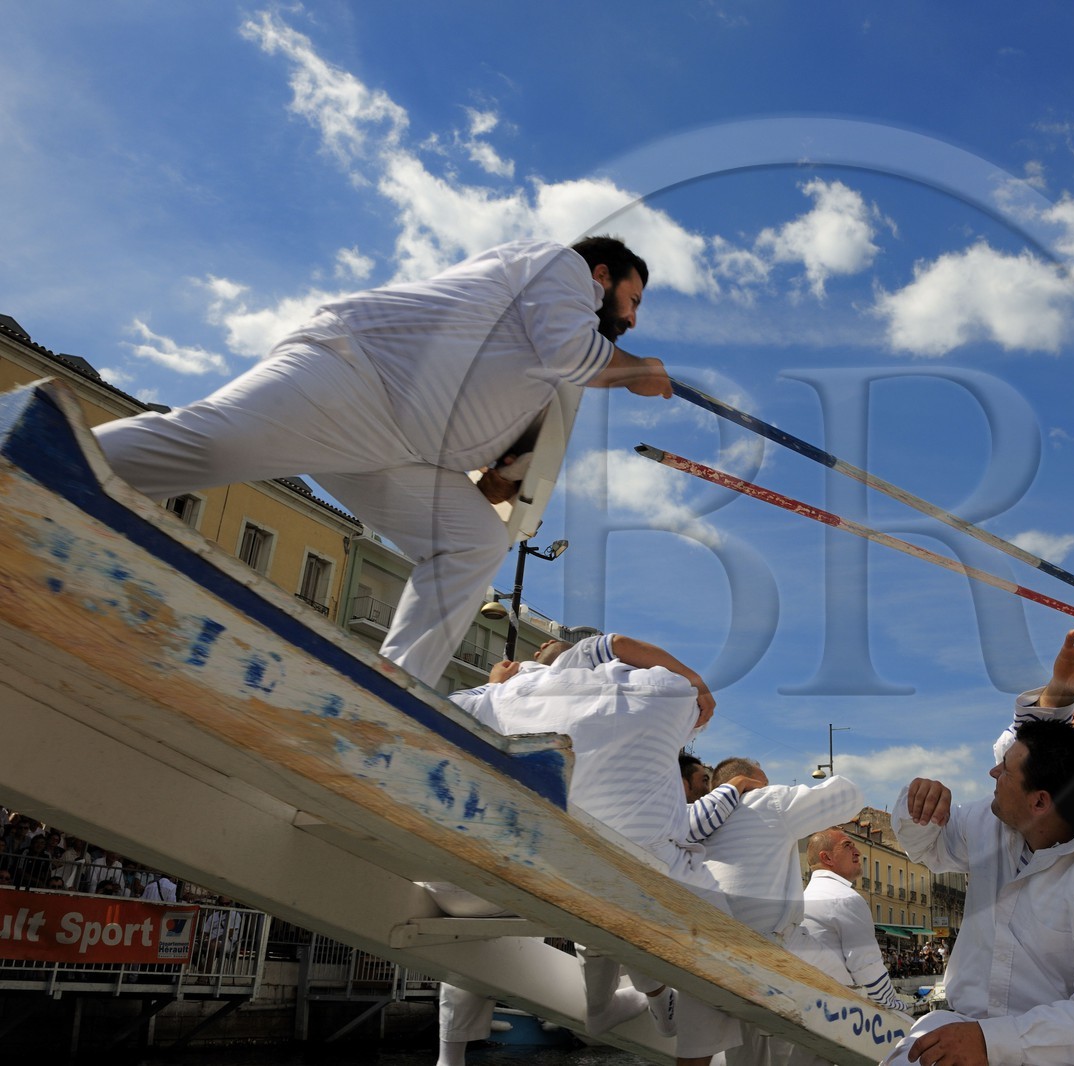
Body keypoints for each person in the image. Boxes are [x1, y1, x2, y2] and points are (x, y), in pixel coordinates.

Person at [93, 236, 674, 687]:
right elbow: (573, 350)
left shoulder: (549, 379)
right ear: (602, 276)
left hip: (399, 453)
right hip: (353, 375)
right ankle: (34, 449)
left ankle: (394, 690)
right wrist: (639, 373)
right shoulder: (560, 268)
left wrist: (498, 477)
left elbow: (504, 478)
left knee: (473, 540)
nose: (633, 318)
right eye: (633, 300)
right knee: (208, 445)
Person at [437, 630, 739, 1066]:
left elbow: (437, 711)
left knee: (508, 882)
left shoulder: (506, 693)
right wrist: (691, 676)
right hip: (625, 883)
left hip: (510, 873)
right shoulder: (661, 689)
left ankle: (451, 1056)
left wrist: (498, 684)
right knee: (709, 930)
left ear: (550, 659)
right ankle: (676, 1034)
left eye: (539, 650)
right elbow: (689, 696)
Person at [886, 719, 1074, 1066]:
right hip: (958, 1025)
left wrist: (994, 1042)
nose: (993, 772)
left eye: (1007, 771)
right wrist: (918, 805)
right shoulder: (990, 821)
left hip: (1049, 1051)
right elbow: (929, 848)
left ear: (1040, 803)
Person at [696, 758, 870, 1066]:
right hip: (774, 944)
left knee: (745, 1039)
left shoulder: (703, 819)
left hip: (716, 946)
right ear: (748, 782)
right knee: (847, 996)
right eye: (763, 781)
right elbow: (849, 796)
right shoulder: (767, 801)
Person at [801, 828, 910, 1014]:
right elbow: (867, 968)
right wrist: (898, 1008)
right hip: (838, 1011)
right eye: (847, 846)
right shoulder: (844, 898)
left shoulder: (805, 896)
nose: (857, 851)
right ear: (827, 858)